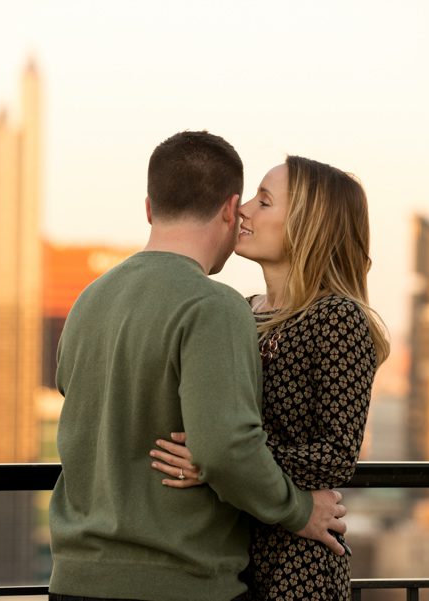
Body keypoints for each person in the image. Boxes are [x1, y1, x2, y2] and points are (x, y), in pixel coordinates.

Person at [49, 133, 348, 601]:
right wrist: (300, 511)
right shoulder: (215, 307)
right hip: (179, 584)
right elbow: (226, 448)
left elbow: (81, 402)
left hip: (73, 581)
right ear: (230, 211)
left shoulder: (89, 300)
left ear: (150, 208)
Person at [150, 156, 389, 600]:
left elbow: (337, 456)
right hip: (225, 551)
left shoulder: (336, 318)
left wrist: (219, 459)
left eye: (264, 201)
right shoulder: (239, 309)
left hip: (296, 561)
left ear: (305, 224)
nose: (243, 210)